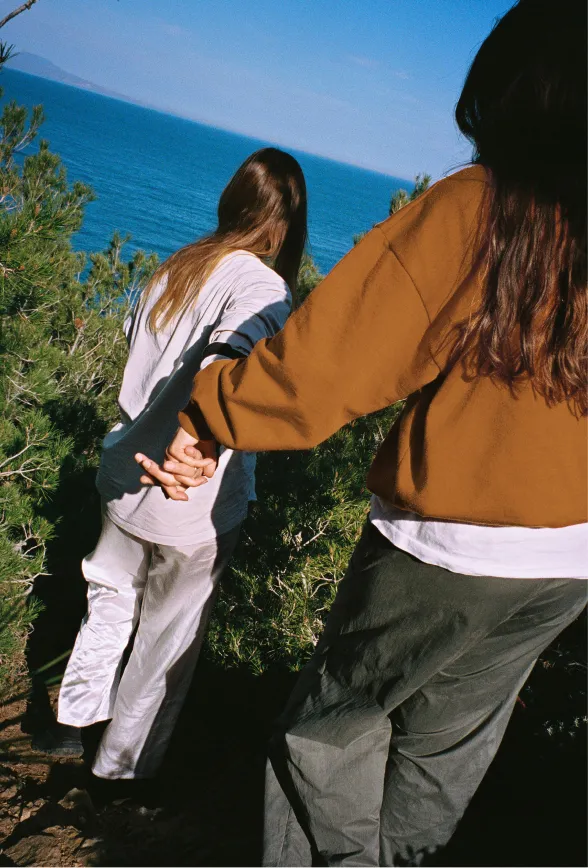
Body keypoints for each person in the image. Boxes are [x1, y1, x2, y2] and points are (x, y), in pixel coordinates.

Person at [138, 0, 587, 862]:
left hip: (452, 546)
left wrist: (209, 411)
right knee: (440, 752)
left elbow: (326, 369)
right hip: (569, 559)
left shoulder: (482, 207)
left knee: (326, 737)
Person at [35, 148, 308, 787]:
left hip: (123, 477)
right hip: (191, 504)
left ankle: (71, 726)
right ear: (284, 224)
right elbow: (232, 353)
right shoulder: (264, 288)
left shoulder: (176, 266)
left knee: (108, 604)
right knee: (163, 646)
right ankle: (119, 774)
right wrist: (200, 433)